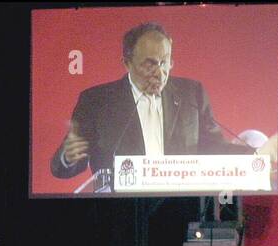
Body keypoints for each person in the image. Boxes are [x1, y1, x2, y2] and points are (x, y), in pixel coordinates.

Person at [49, 22, 251, 180]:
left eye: (165, 62)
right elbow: (67, 165)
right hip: (118, 211)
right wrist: (68, 157)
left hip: (180, 205)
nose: (160, 72)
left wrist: (254, 156)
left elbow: (213, 147)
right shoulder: (97, 101)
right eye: (149, 64)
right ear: (127, 63)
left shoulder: (191, 94)